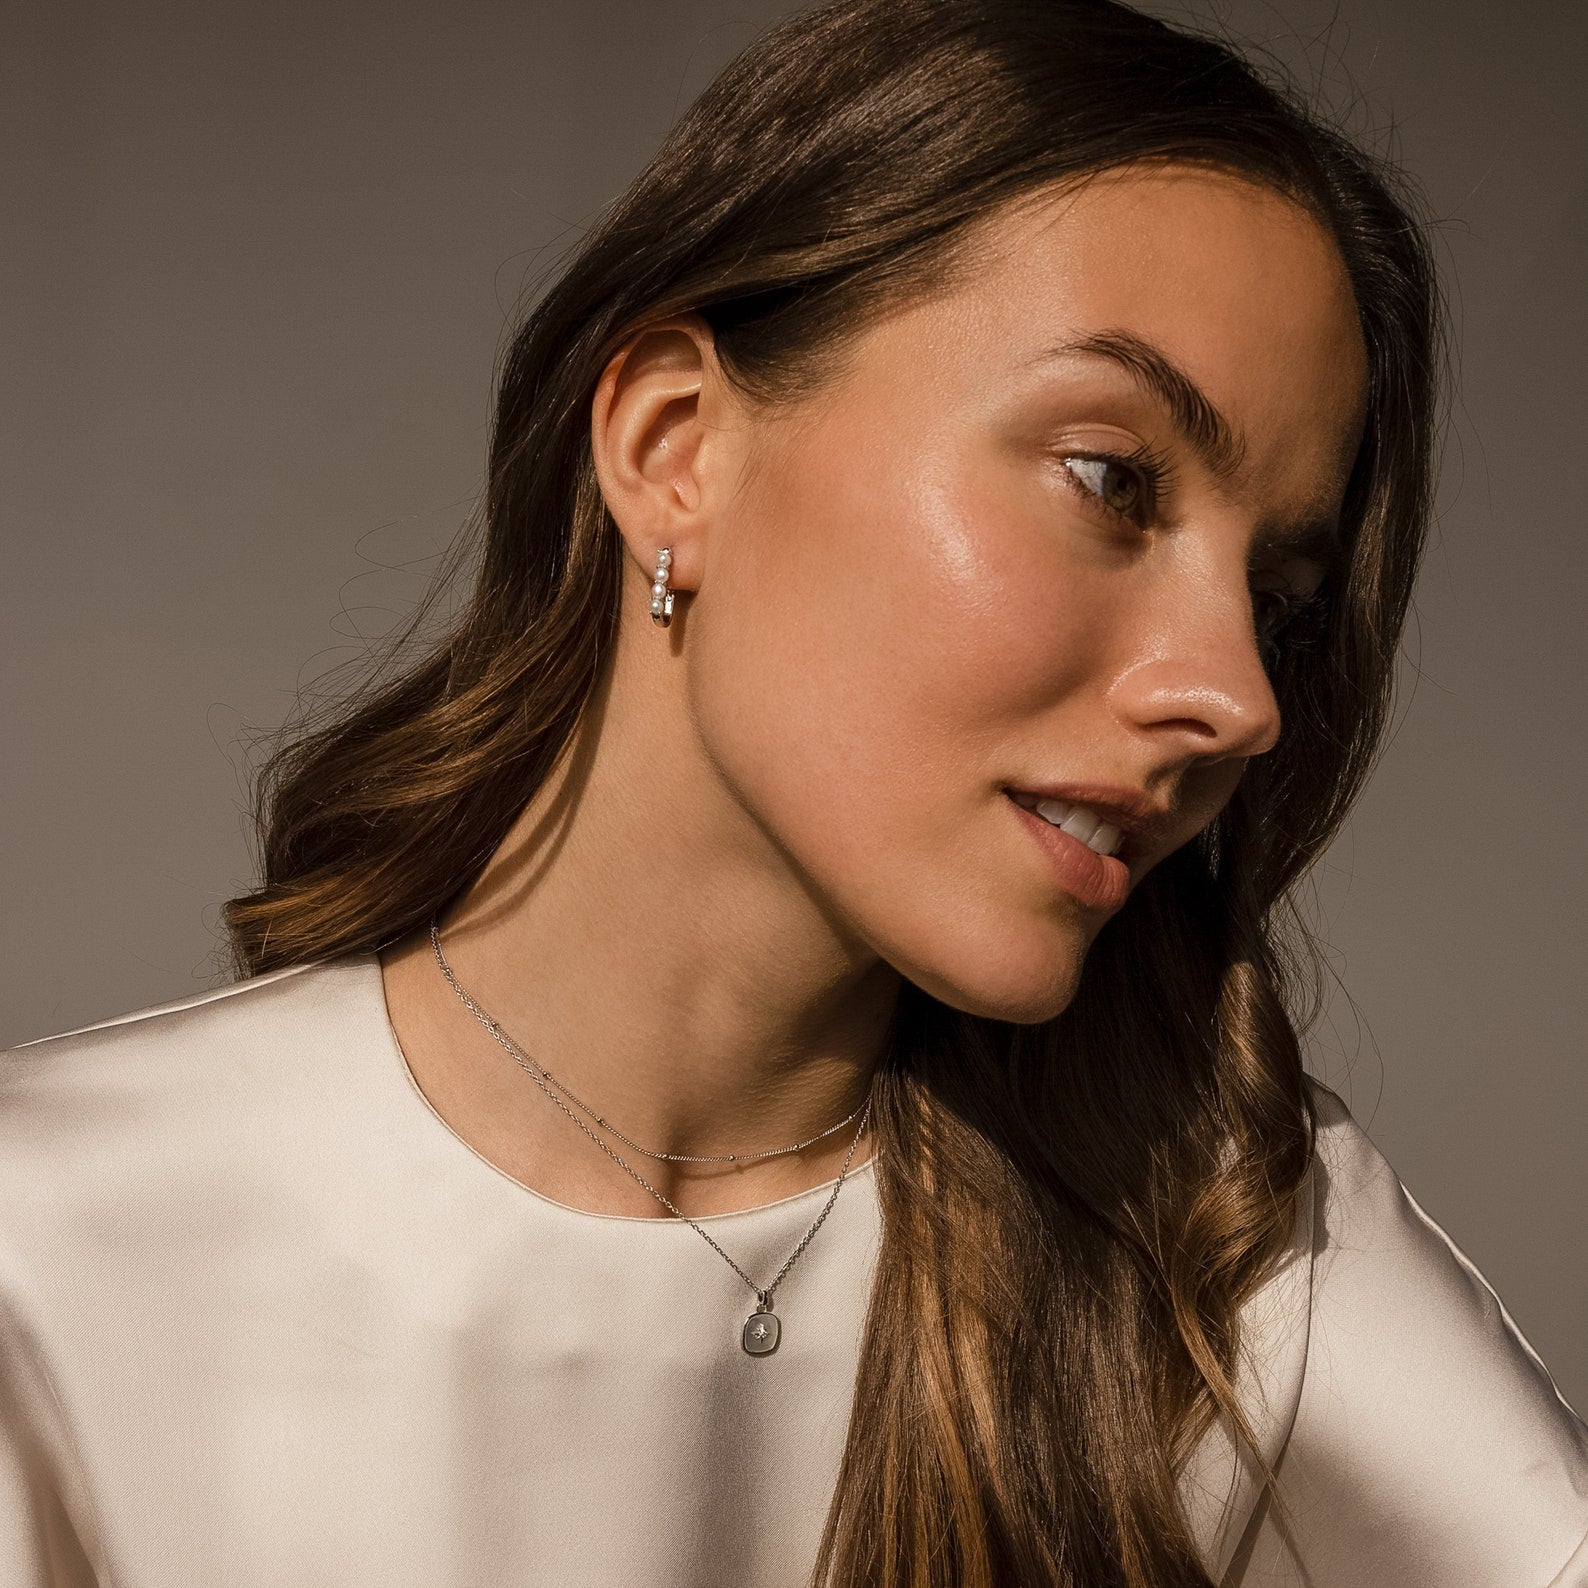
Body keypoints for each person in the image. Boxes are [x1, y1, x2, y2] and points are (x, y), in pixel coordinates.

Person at [3, 0, 1585, 1582]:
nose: (1237, 698)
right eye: (1112, 480)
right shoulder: (49, 1265)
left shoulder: (1213, 1248)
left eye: (1280, 599)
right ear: (676, 447)